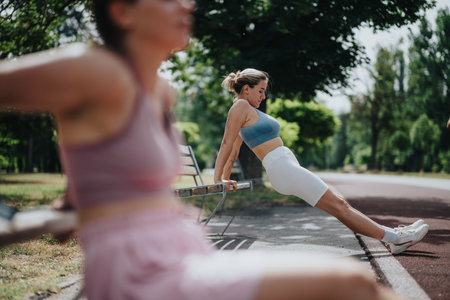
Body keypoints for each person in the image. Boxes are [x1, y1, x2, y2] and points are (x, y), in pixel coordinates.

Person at [0, 1, 406, 299]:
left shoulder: (160, 90)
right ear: (124, 11)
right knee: (349, 285)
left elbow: (103, 165)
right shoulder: (92, 69)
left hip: (184, 250)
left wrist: (71, 201)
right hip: (140, 271)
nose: (187, 3)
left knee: (355, 285)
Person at [214, 68, 429, 255]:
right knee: (339, 205)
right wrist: (218, 180)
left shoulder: (245, 111)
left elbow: (234, 153)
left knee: (338, 205)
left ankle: (393, 236)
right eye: (261, 90)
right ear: (246, 89)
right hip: (281, 168)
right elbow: (226, 144)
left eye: (265, 91)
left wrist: (225, 177)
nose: (264, 96)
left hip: (286, 165)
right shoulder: (240, 107)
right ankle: (396, 238)